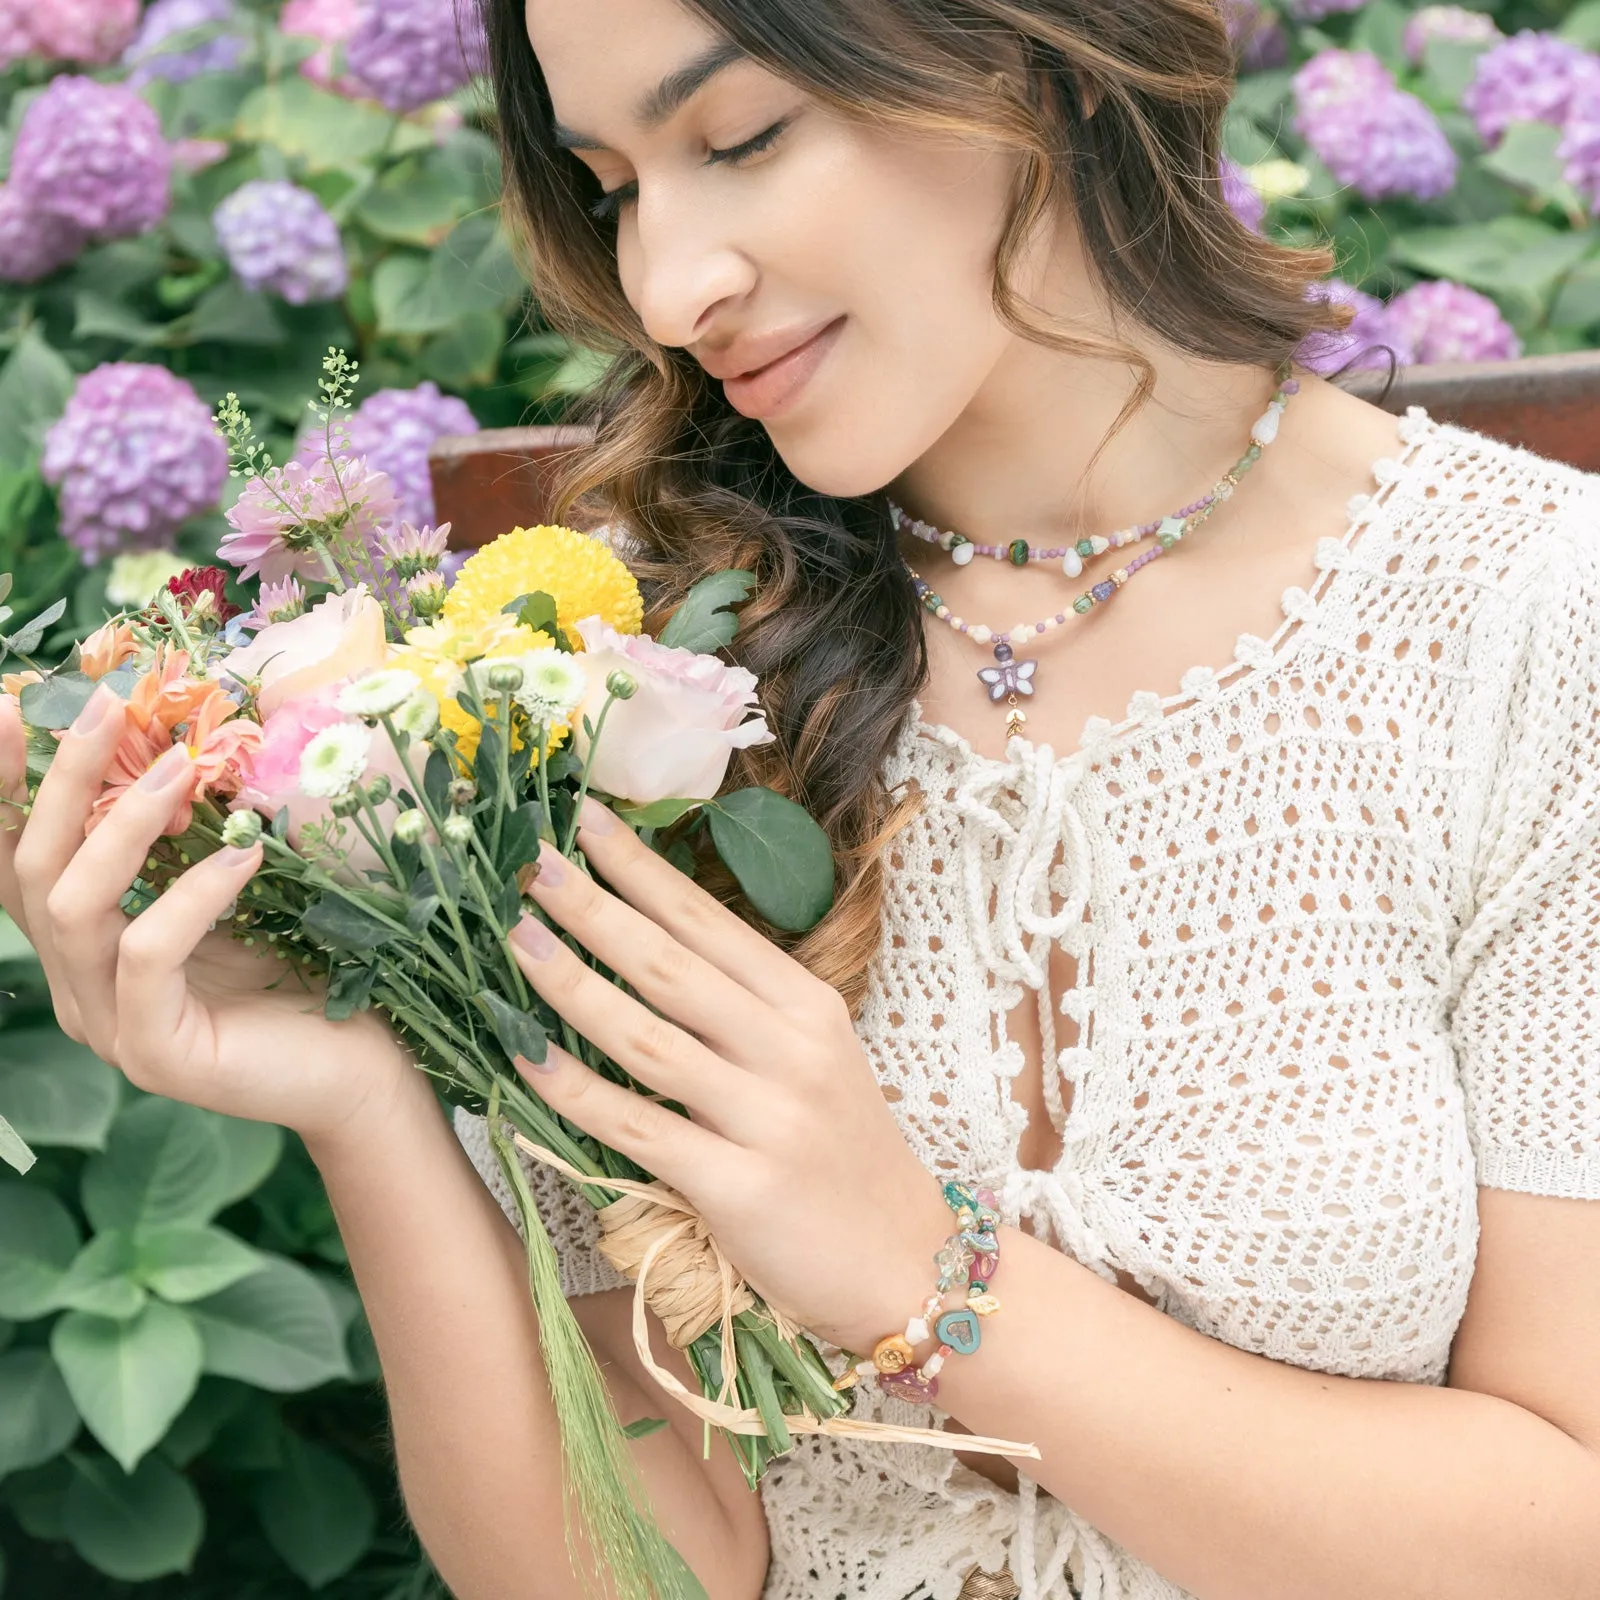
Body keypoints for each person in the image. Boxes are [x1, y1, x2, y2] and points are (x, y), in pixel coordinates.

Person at [5, 0, 1600, 1596]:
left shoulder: (1522, 624)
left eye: (744, 137)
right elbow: (644, 1577)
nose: (670, 287)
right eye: (618, 184)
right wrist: (368, 1092)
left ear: (1028, 51)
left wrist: (920, 1276)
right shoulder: (621, 701)